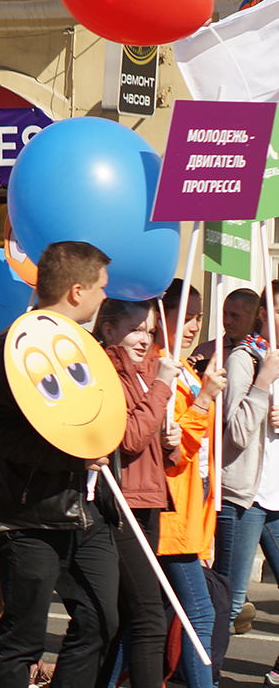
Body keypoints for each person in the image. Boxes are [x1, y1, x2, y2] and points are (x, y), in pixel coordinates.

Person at [0, 241, 120, 688]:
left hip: (87, 512)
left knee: (102, 618)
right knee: (23, 640)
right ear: (77, 291)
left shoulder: (87, 347)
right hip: (29, 515)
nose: (105, 296)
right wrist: (71, 455)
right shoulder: (9, 347)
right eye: (101, 287)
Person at [92, 298, 179, 688]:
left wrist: (171, 441)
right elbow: (128, 438)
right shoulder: (106, 371)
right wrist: (161, 387)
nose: (145, 339)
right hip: (121, 502)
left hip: (149, 500)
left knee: (121, 618)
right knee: (149, 617)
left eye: (150, 331)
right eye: (136, 329)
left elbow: (157, 448)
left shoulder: (147, 371)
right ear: (109, 330)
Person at [154, 280, 226, 688]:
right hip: (170, 511)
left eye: (199, 317)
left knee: (142, 621)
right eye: (187, 316)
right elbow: (175, 451)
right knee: (200, 611)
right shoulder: (160, 370)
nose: (194, 326)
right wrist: (203, 400)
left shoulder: (185, 368)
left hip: (191, 508)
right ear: (162, 316)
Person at [212, 286, 279, 636]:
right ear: (265, 314)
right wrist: (263, 383)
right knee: (229, 601)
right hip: (245, 498)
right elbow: (236, 432)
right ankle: (196, 664)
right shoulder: (244, 358)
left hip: (276, 497)